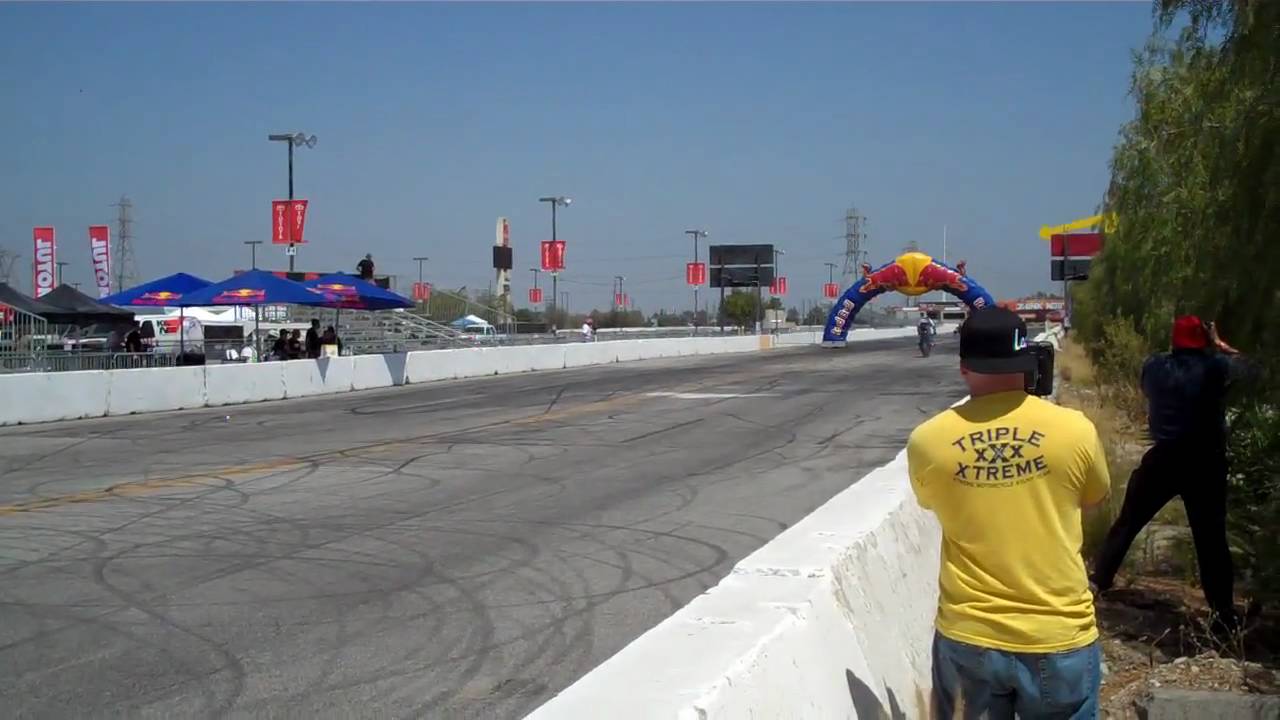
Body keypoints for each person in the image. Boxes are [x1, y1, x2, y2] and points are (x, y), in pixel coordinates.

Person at [907, 307, 1110, 718]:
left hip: (970, 635)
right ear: (1029, 360)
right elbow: (1094, 500)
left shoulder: (927, 442)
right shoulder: (1076, 430)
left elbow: (930, 502)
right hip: (1059, 633)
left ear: (964, 367)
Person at [1091, 316, 1245, 631]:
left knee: (1128, 522)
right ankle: (1223, 615)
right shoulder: (1215, 367)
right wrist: (1222, 346)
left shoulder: (1154, 367)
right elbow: (1251, 370)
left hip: (1163, 459)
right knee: (1211, 540)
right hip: (1205, 463)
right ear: (1204, 340)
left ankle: (1099, 580)